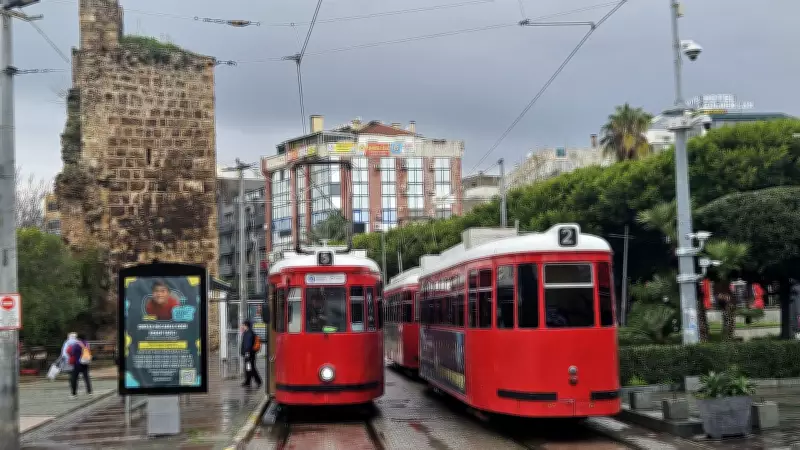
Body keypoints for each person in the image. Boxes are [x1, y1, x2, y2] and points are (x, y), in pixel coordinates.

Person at [68, 334, 92, 398]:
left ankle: (74, 394)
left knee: (74, 378)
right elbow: (89, 352)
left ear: (79, 338)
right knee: (86, 377)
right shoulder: (87, 344)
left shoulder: (76, 345)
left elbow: (72, 353)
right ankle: (89, 392)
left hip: (77, 364)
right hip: (85, 363)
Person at [240, 320, 262, 389]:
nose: (242, 326)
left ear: (246, 325)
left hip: (249, 354)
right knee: (248, 368)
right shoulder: (247, 333)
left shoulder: (249, 333)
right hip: (249, 354)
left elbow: (248, 345)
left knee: (251, 368)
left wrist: (247, 353)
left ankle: (258, 381)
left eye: (243, 325)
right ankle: (248, 382)